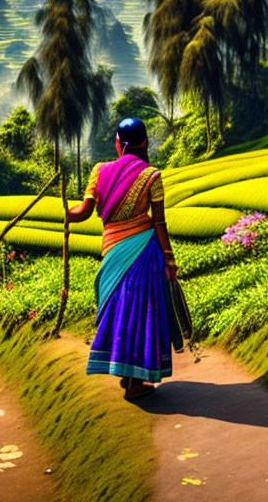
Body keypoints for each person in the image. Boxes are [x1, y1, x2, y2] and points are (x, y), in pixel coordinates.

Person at [66, 117, 181, 400]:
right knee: (141, 313)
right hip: (144, 250)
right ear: (144, 143)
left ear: (118, 143)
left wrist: (65, 213)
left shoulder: (99, 171)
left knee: (120, 311)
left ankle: (126, 375)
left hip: (112, 250)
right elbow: (160, 222)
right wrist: (169, 257)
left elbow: (82, 212)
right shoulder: (152, 176)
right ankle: (133, 383)